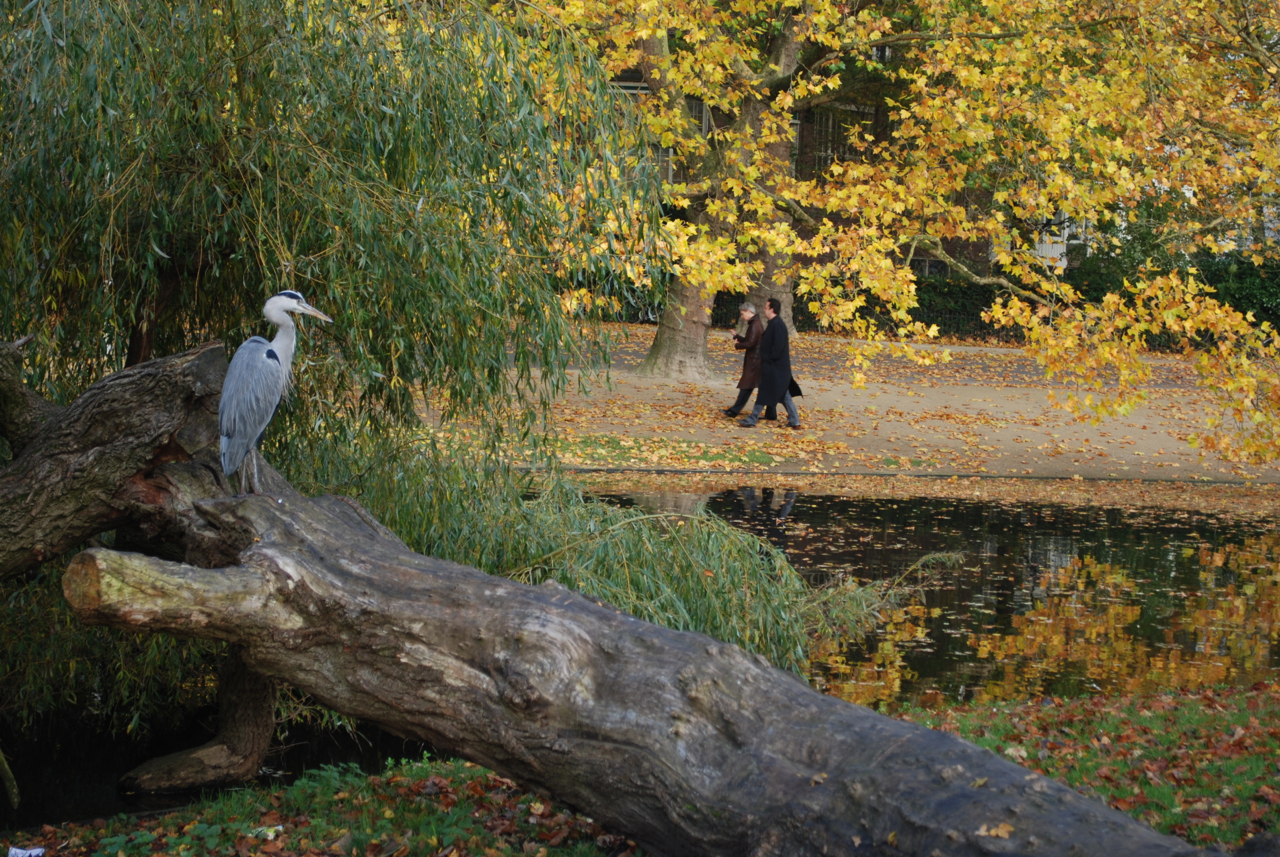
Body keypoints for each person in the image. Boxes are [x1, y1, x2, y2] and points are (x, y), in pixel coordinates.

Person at [739, 297, 801, 429]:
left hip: (775, 367)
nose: (764, 310)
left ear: (772, 309)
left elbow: (777, 347)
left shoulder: (777, 324)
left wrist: (768, 359)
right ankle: (794, 420)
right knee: (783, 395)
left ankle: (752, 418)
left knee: (766, 393)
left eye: (766, 308)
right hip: (775, 367)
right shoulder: (774, 323)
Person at [723, 302, 763, 417]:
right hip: (754, 359)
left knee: (747, 385)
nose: (742, 317)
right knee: (747, 386)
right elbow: (750, 339)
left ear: (749, 312)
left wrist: (737, 345)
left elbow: (750, 343)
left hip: (754, 360)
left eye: (742, 314)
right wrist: (737, 336)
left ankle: (734, 410)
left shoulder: (755, 324)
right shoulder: (755, 323)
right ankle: (734, 410)